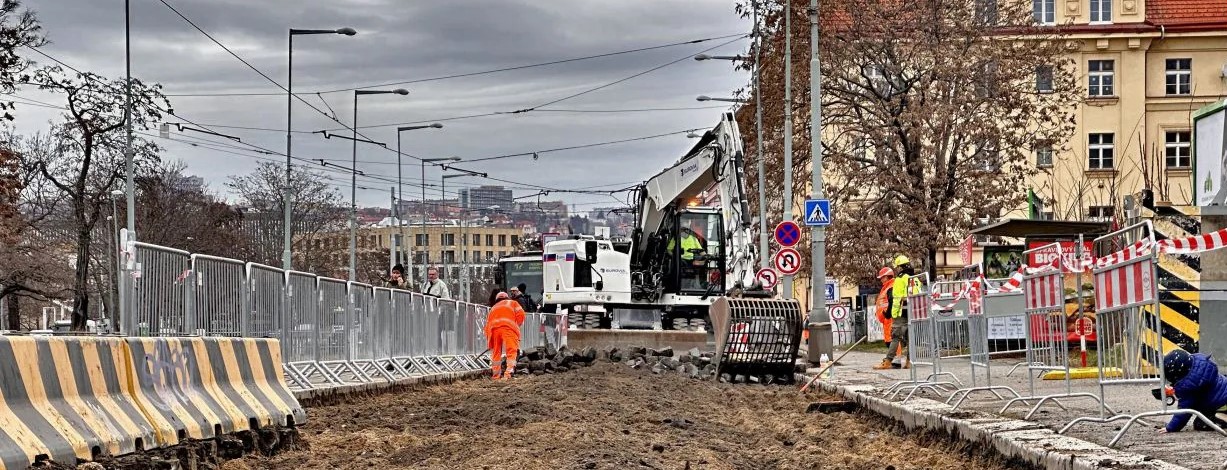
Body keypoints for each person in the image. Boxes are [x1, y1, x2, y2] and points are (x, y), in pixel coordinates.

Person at [1158, 349, 1227, 433]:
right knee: (1203, 415)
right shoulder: (1201, 365)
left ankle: (1222, 417)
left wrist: (1171, 428)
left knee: (1200, 424)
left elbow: (1184, 411)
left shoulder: (1187, 387)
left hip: (1222, 404)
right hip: (1223, 396)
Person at [875, 255, 918, 370]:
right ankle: (910, 362)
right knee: (910, 338)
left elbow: (896, 297)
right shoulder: (915, 278)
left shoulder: (900, 279)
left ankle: (888, 361)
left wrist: (891, 313)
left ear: (900, 267)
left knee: (895, 337)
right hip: (912, 311)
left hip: (900, 312)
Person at [485, 291, 526, 380]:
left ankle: (496, 376)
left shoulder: (493, 308)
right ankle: (508, 374)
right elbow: (521, 314)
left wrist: (490, 341)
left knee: (496, 353)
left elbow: (487, 326)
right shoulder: (513, 303)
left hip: (494, 331)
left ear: (497, 299)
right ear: (507, 297)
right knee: (511, 351)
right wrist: (517, 325)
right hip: (508, 329)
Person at [873, 267, 897, 349]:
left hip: (889, 317)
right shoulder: (886, 287)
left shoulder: (891, 286)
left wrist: (886, 313)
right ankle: (891, 359)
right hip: (886, 318)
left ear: (887, 276)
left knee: (892, 339)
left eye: (882, 277)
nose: (881, 280)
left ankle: (894, 359)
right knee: (889, 340)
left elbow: (892, 301)